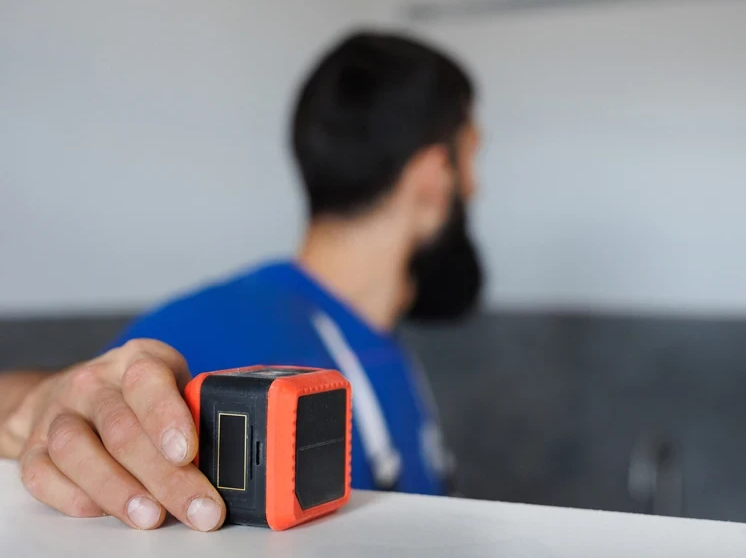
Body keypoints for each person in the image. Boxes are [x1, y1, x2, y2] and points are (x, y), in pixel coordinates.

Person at [0, 30, 484, 532]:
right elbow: (67, 404)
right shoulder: (222, 326)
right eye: (472, 156)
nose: (478, 187)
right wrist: (40, 403)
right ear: (435, 171)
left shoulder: (385, 342)